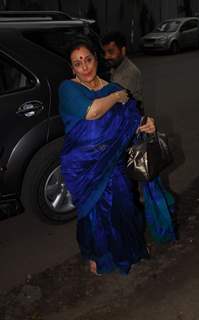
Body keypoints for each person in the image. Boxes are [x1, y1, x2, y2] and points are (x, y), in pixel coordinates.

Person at [58, 36, 175, 276]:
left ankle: (126, 252)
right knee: (93, 214)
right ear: (72, 68)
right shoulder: (69, 88)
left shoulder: (114, 88)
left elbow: (131, 123)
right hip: (83, 167)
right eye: (78, 64)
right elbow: (90, 113)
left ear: (95, 60)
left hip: (113, 164)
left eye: (88, 59)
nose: (85, 67)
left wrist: (147, 123)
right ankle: (98, 255)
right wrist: (115, 98)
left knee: (123, 207)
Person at [102, 31, 144, 113]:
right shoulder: (116, 66)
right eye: (105, 53)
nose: (106, 57)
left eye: (111, 52)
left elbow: (113, 103)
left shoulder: (129, 73)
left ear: (123, 50)